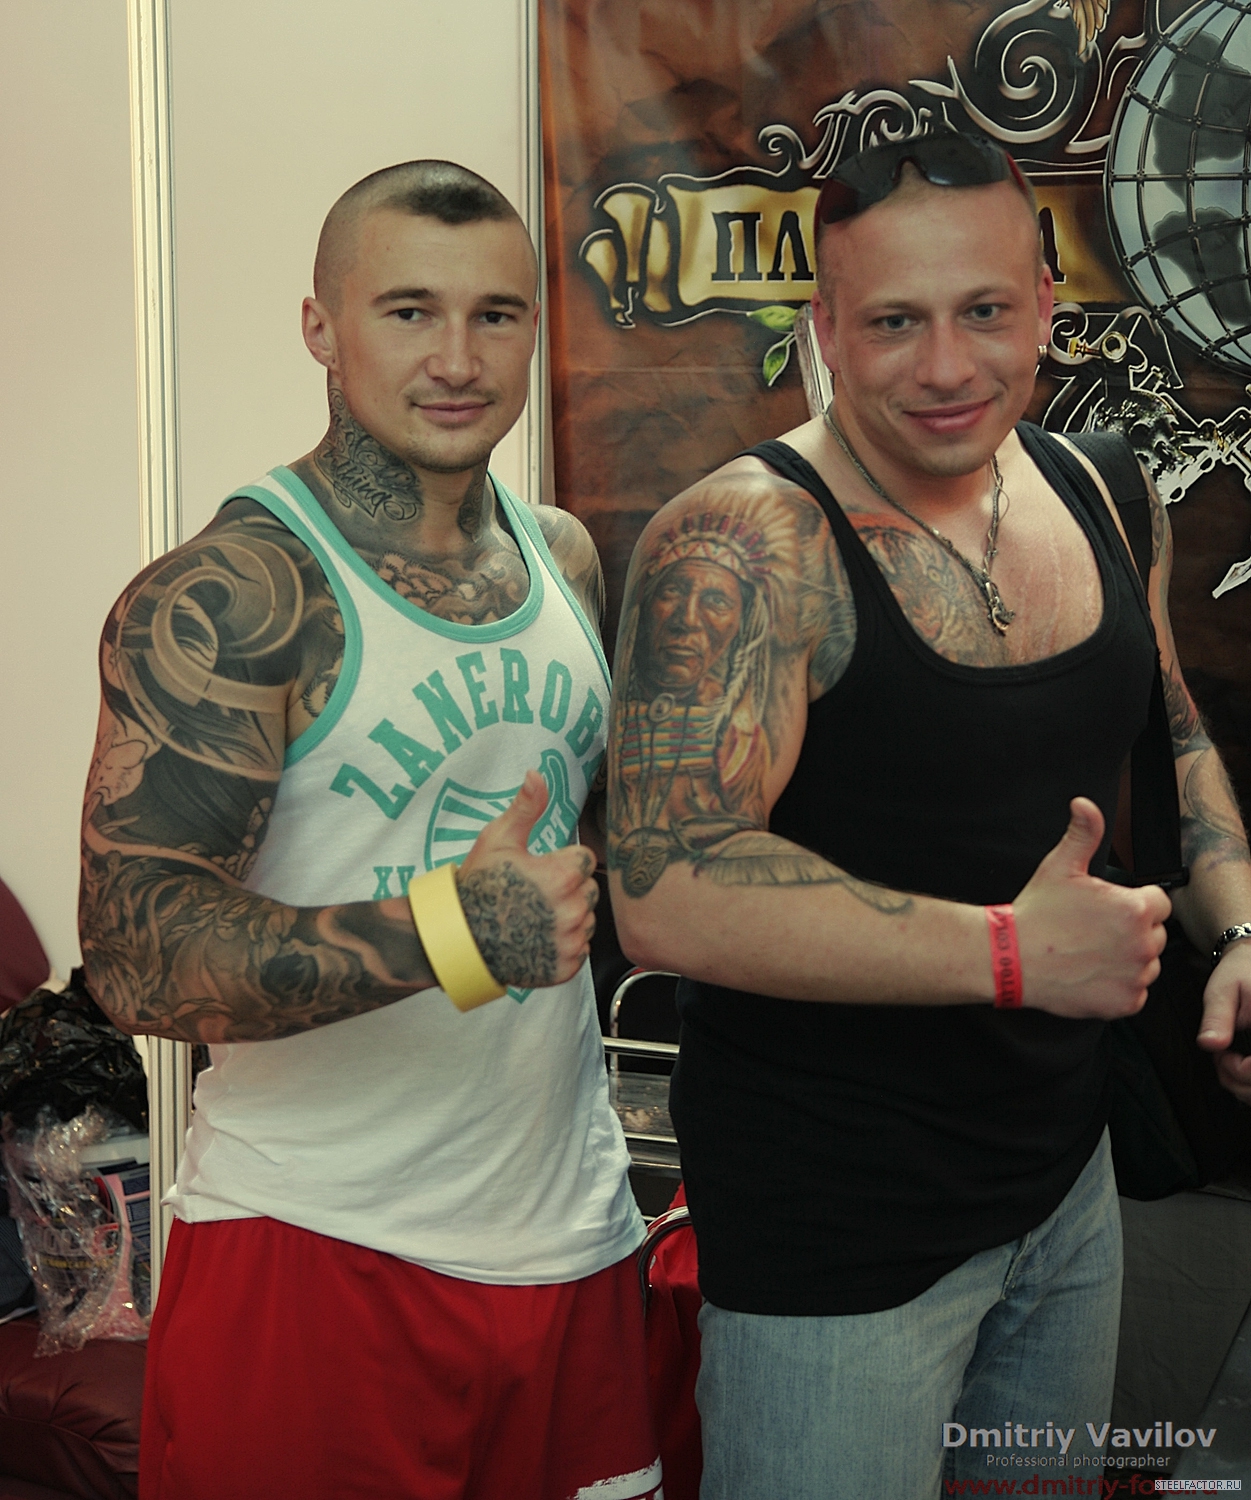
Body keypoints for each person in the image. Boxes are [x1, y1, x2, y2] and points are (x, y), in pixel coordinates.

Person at [606, 131, 1251, 1499]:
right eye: (895, 322)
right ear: (824, 328)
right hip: (839, 1245)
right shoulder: (744, 542)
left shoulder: (1104, 488)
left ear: (1046, 306)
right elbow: (663, 885)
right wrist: (1011, 954)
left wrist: (1241, 932)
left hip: (1064, 1195)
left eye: (985, 311)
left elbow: (1174, 731)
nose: (947, 366)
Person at [79, 160, 661, 1500]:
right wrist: (453, 930)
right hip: (318, 1248)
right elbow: (135, 955)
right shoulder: (233, 595)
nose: (458, 360)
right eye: (409, 312)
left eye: (496, 315)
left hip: (568, 1237)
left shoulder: (563, 556)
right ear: (321, 327)